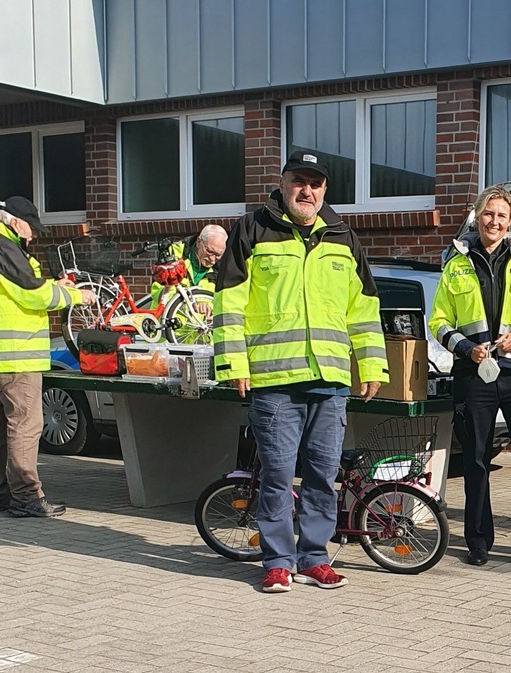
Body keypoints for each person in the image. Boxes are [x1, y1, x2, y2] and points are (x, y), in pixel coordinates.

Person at [212, 151, 388, 593]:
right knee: (275, 475)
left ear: (325, 189)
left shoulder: (344, 236)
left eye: (315, 183)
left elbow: (364, 309)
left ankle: (313, 557)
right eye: (298, 181)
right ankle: (276, 560)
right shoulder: (253, 229)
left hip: (329, 381)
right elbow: (228, 302)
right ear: (284, 182)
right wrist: (233, 362)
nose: (306, 190)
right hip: (274, 383)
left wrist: (371, 365)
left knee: (322, 475)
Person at [429, 185, 511, 571]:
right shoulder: (456, 264)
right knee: (475, 461)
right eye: (489, 214)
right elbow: (438, 322)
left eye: (502, 215)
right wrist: (465, 347)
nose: (494, 221)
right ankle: (478, 542)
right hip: (474, 372)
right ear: (477, 216)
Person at [0, 196, 96, 517]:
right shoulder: (3, 249)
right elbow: (34, 295)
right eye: (30, 228)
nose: (32, 235)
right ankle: (25, 496)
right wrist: (77, 295)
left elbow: (15, 290)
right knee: (24, 426)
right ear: (14, 222)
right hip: (16, 358)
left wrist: (52, 283)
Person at [148, 224, 226, 312]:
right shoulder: (173, 254)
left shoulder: (222, 270)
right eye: (209, 251)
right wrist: (190, 303)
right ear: (198, 242)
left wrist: (210, 308)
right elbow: (157, 292)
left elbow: (222, 302)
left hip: (198, 325)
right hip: (165, 322)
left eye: (218, 255)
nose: (212, 259)